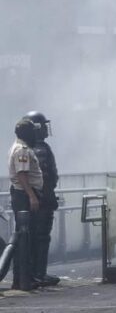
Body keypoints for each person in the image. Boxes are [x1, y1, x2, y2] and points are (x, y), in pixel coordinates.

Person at [8, 118, 45, 290]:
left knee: (27, 237)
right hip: (24, 195)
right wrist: (32, 196)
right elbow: (22, 175)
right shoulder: (22, 150)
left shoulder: (21, 147)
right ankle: (22, 279)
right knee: (25, 237)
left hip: (24, 194)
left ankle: (26, 277)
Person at [24, 111, 59, 287]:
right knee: (42, 237)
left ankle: (33, 273)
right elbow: (48, 177)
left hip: (34, 201)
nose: (46, 129)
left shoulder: (27, 148)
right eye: (44, 125)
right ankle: (39, 273)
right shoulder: (41, 149)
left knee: (33, 238)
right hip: (42, 202)